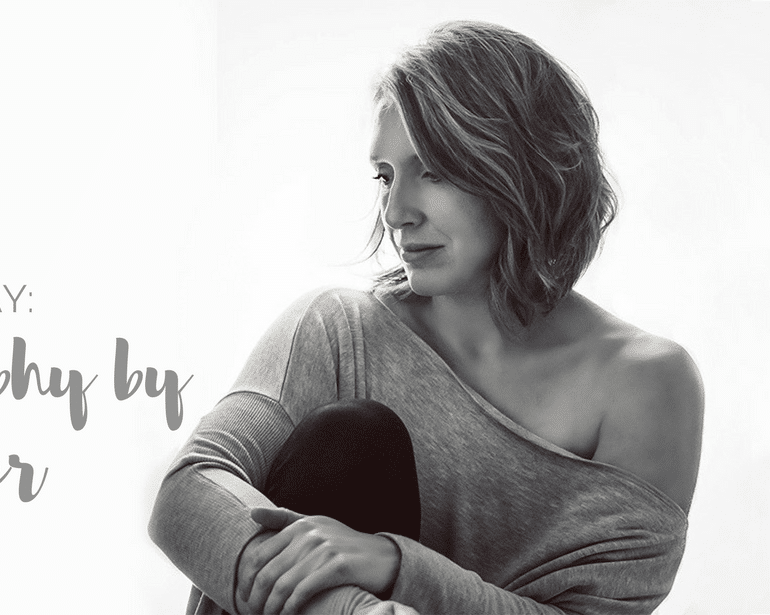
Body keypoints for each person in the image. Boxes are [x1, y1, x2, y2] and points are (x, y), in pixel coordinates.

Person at [149, 20, 703, 615]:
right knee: (351, 438)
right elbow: (187, 492)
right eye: (384, 177)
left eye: (433, 170)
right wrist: (357, 609)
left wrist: (394, 565)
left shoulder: (645, 385)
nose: (395, 212)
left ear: (524, 169)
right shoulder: (339, 332)